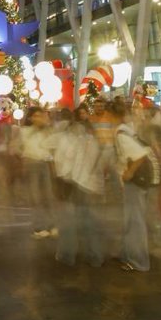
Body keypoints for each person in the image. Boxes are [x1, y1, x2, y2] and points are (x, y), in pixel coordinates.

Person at [54, 108, 107, 267]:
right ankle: (95, 256)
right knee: (88, 220)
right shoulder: (92, 141)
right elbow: (98, 164)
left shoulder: (66, 140)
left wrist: (62, 179)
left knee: (68, 221)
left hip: (73, 184)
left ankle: (67, 255)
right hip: (89, 185)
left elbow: (61, 163)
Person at [106, 101, 151, 272]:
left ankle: (139, 261)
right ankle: (127, 254)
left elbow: (139, 155)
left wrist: (129, 173)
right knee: (130, 219)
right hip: (135, 182)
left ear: (111, 115)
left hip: (134, 182)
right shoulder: (126, 129)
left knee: (135, 221)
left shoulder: (121, 134)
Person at [20, 106, 58, 239]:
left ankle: (52, 226)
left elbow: (52, 147)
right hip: (32, 164)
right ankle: (39, 227)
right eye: (35, 116)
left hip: (45, 163)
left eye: (40, 116)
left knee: (48, 196)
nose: (38, 118)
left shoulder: (47, 131)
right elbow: (23, 146)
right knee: (35, 197)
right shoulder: (25, 131)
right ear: (30, 118)